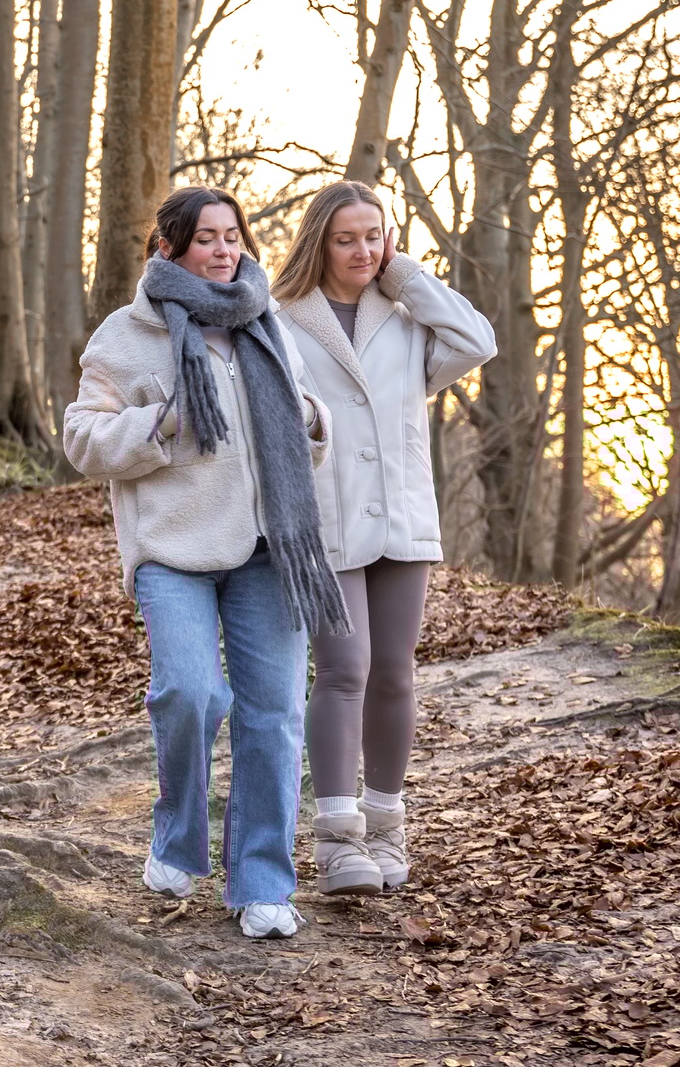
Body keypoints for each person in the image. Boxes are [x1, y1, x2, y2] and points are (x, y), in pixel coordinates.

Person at [64, 186, 346, 940]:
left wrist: (313, 418)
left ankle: (261, 883)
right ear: (169, 250)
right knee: (189, 692)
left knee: (274, 716)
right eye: (207, 239)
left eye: (233, 237)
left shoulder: (265, 320)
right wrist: (161, 421)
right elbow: (83, 440)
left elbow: (309, 416)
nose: (225, 252)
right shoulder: (125, 337)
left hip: (267, 546)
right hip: (174, 551)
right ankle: (177, 836)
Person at [272, 181, 496, 895]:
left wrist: (405, 274)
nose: (362, 250)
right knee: (344, 668)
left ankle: (387, 824)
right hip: (326, 519)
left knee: (395, 672)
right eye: (347, 238)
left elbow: (477, 340)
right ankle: (338, 840)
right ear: (318, 243)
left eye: (375, 236)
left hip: (401, 513)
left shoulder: (403, 319)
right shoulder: (283, 321)